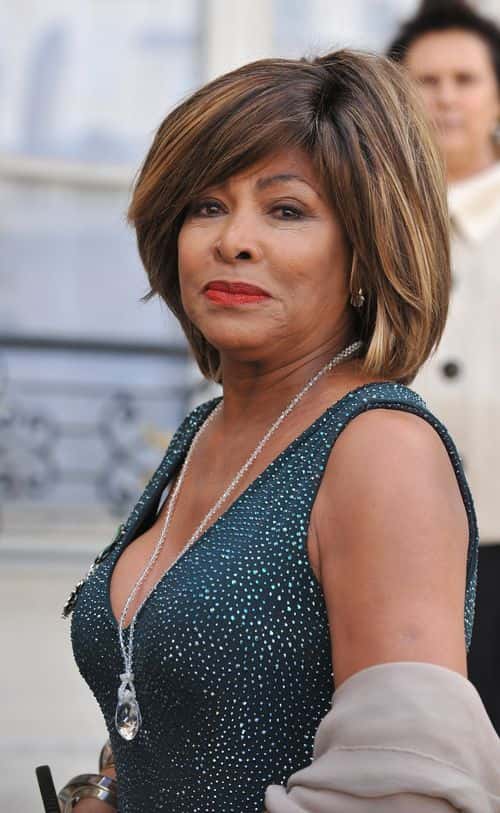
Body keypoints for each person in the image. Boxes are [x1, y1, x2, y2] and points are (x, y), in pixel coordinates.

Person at [59, 49, 500, 813]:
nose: (234, 240)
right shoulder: (203, 434)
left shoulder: (379, 448)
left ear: (365, 248)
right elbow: (175, 705)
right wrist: (101, 789)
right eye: (205, 205)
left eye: (286, 209)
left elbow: (409, 792)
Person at [388, 0, 500, 737]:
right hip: (392, 543)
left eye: (465, 77)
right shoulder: (370, 222)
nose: (447, 96)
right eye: (426, 80)